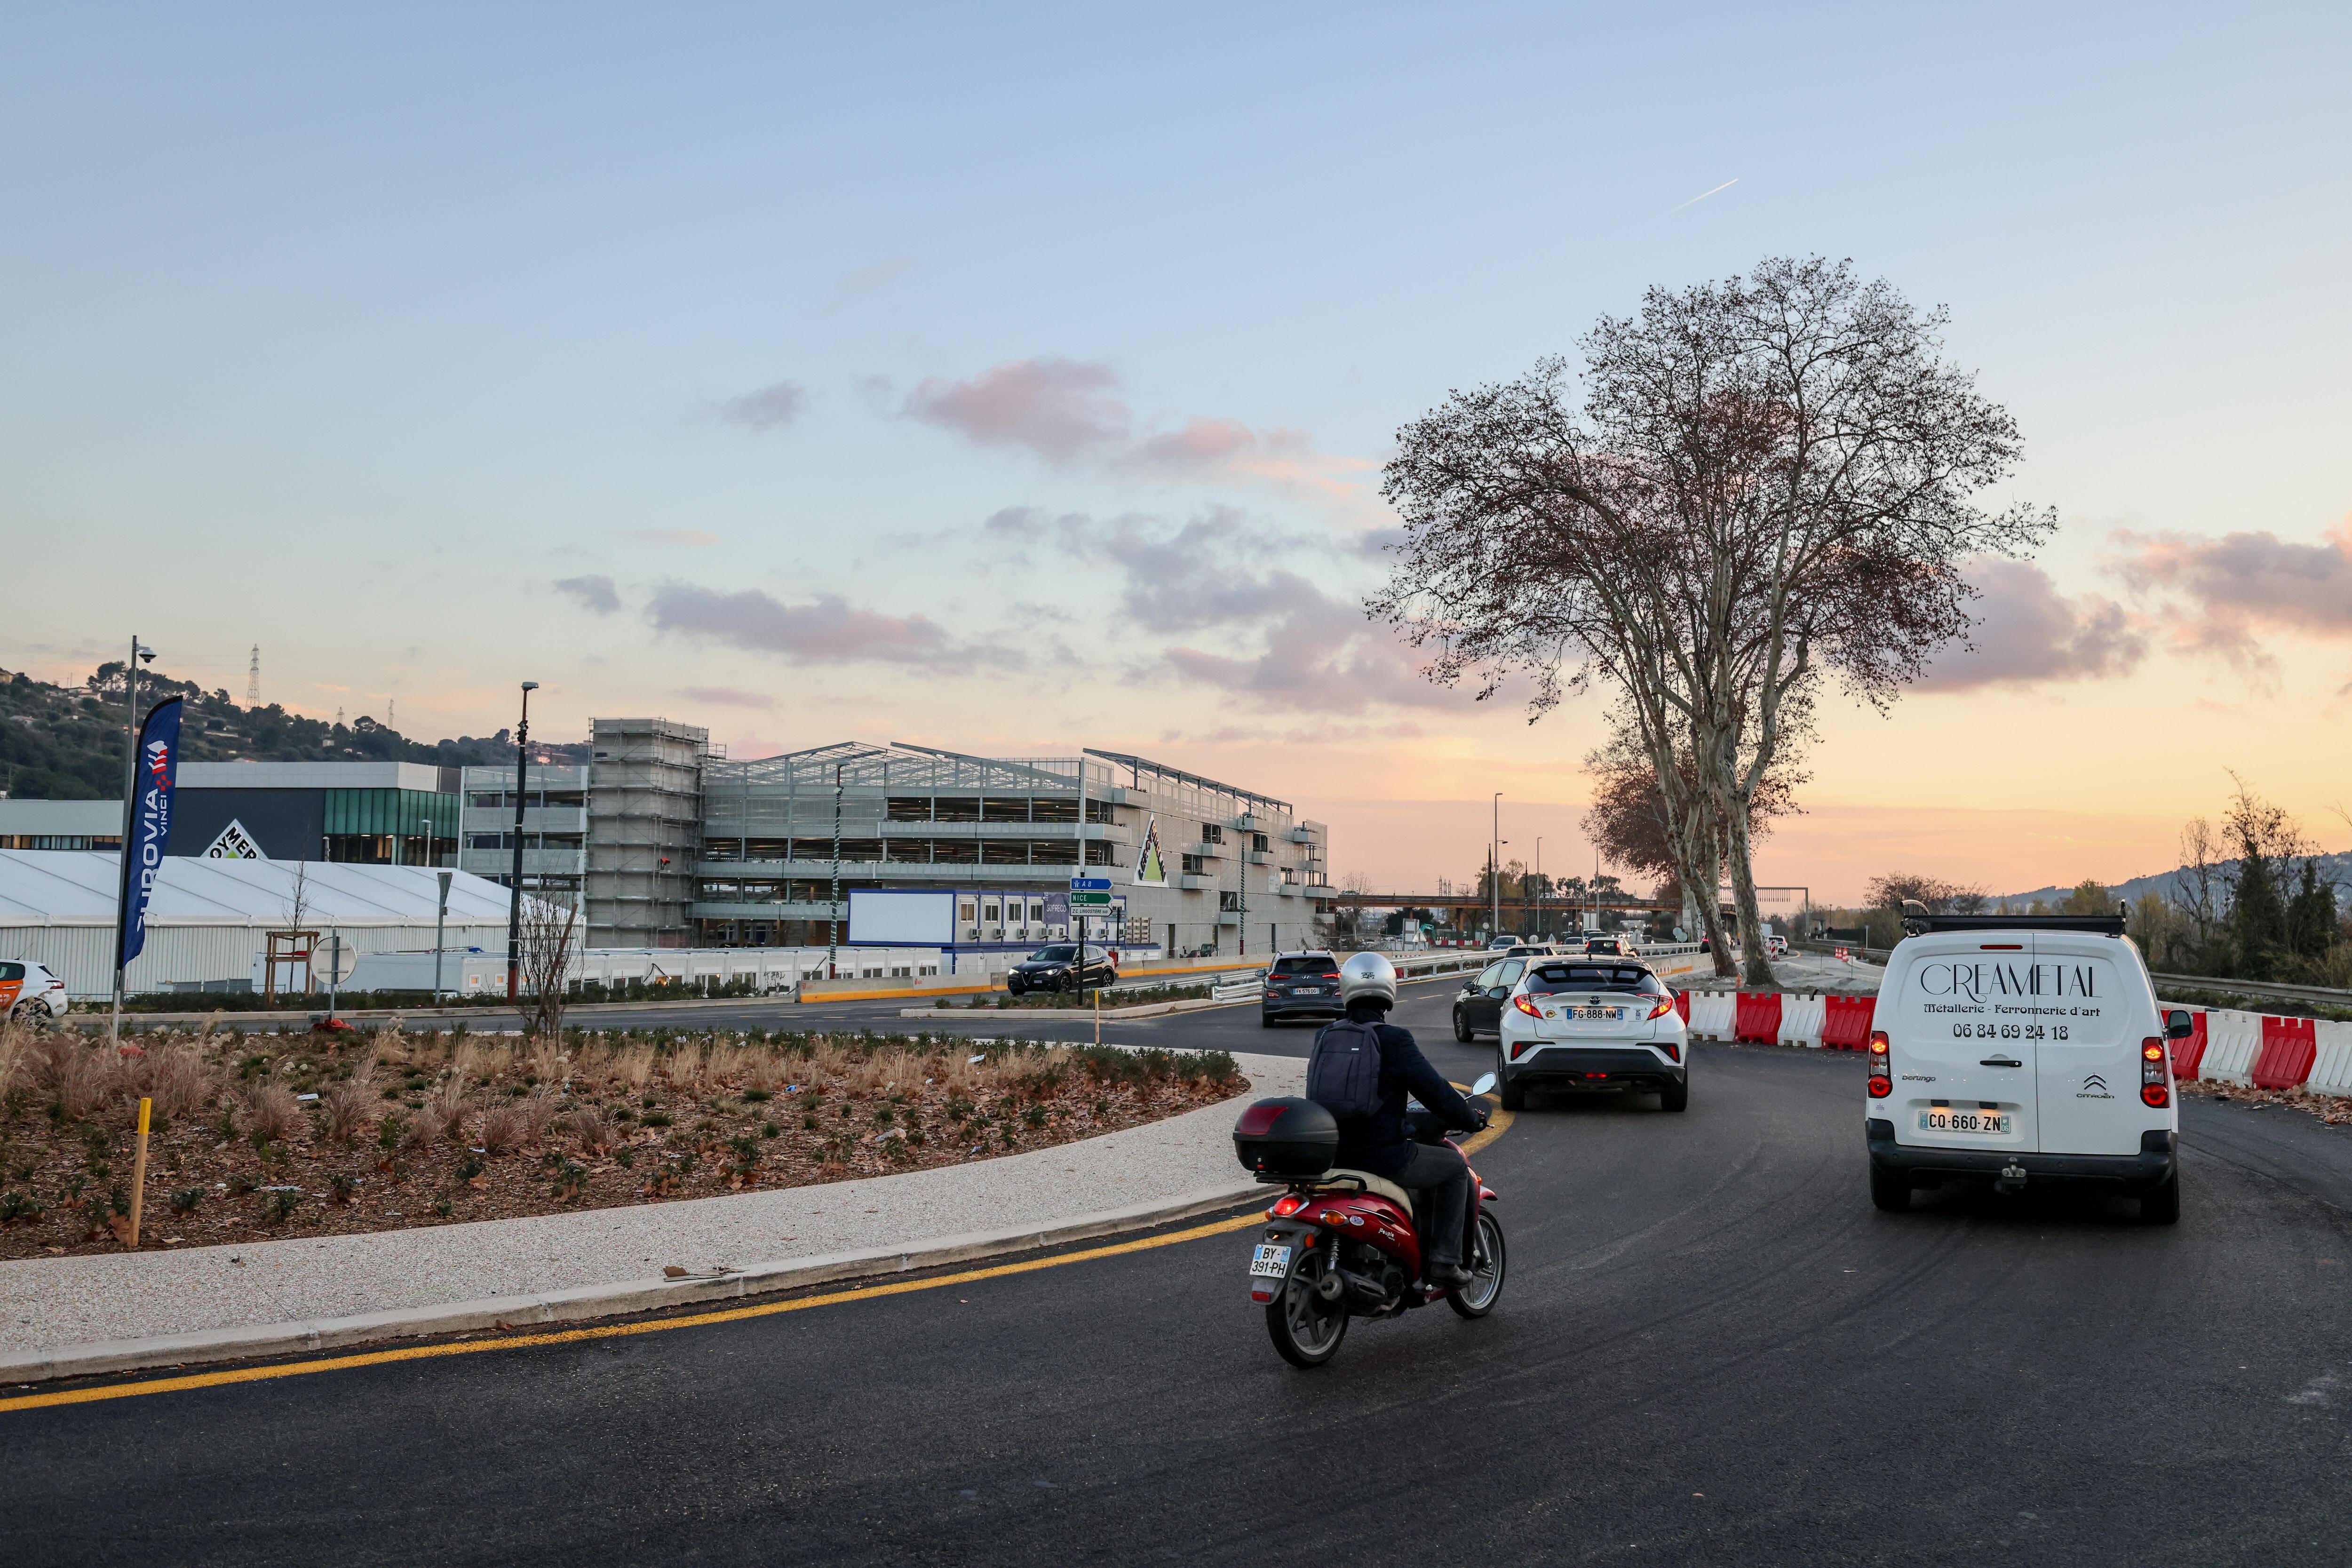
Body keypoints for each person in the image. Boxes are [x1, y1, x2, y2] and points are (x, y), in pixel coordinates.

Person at [1320, 951, 1486, 1290]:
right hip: (1383, 1157)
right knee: (1455, 1168)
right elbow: (1436, 1091)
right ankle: (1444, 1263)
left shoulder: (1326, 1036)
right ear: (1389, 991)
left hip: (1333, 1154)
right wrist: (1469, 1118)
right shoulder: (1395, 1040)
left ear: (1346, 988)